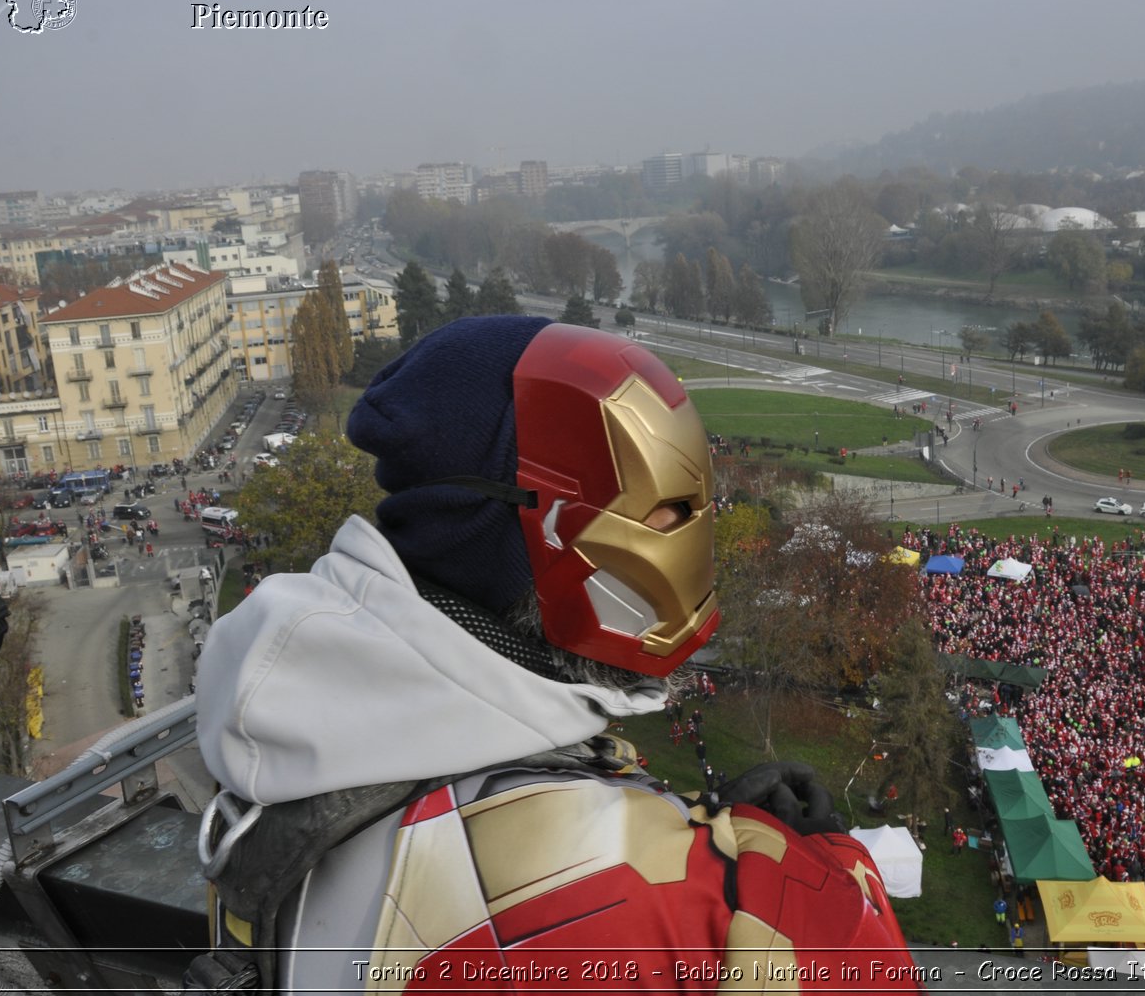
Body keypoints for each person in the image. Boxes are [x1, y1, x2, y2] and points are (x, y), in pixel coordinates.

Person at [192, 317, 917, 992]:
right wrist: (820, 864)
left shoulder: (284, 765)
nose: (699, 528)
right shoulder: (603, 889)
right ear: (541, 531)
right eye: (667, 506)